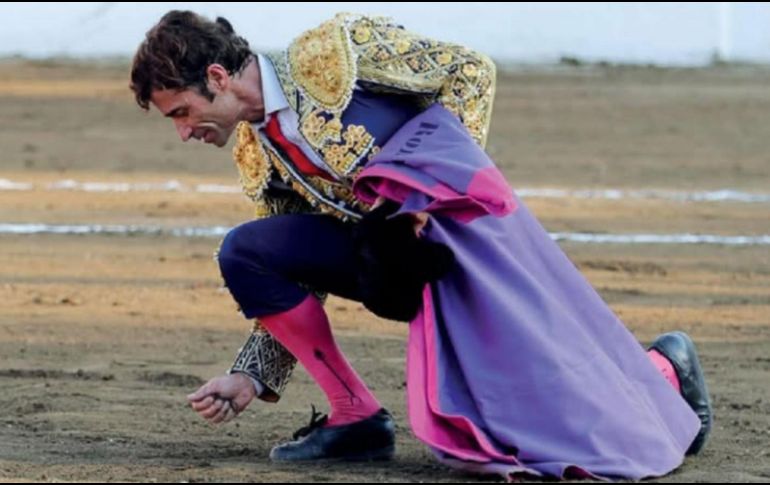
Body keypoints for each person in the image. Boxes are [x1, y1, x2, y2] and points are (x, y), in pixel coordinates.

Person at [129, 10, 712, 480]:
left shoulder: (337, 49)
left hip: (458, 237)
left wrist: (434, 195)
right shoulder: (257, 154)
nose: (184, 132)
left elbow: (468, 71)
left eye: (182, 112)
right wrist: (251, 378)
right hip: (387, 262)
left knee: (535, 408)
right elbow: (295, 273)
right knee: (248, 250)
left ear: (217, 78)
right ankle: (354, 416)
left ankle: (664, 370)